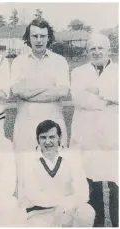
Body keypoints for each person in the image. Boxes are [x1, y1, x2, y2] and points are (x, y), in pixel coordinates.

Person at [70, 33, 118, 227]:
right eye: (92, 48)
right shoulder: (78, 72)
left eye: (101, 48)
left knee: (114, 185)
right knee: (89, 185)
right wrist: (110, 99)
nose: (97, 52)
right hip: (86, 135)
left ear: (109, 50)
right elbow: (79, 99)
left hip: (112, 136)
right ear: (87, 51)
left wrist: (96, 91)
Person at [10, 18, 70, 153]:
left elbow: (62, 91)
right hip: (25, 125)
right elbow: (17, 91)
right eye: (34, 36)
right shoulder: (18, 62)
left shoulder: (60, 61)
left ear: (48, 38)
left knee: (55, 168)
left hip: (53, 124)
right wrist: (48, 89)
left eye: (42, 36)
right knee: (25, 167)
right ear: (28, 38)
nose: (38, 40)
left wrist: (29, 93)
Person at [20, 120, 95, 227]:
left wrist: (66, 205)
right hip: (40, 213)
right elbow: (32, 194)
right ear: (37, 139)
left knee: (86, 212)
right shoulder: (29, 160)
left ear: (59, 138)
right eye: (43, 137)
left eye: (52, 137)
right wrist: (58, 204)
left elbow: (83, 191)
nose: (47, 142)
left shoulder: (72, 157)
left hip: (68, 210)